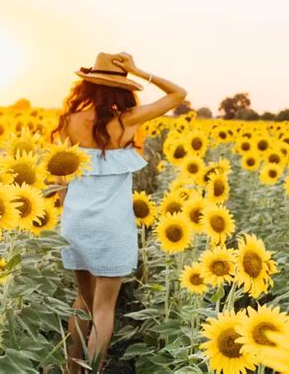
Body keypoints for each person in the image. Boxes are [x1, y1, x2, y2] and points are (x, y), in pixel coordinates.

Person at [50, 51, 187, 373]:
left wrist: (65, 201)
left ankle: (73, 370)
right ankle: (93, 371)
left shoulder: (70, 120)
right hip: (113, 225)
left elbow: (59, 177)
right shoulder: (128, 120)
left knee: (82, 303)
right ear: (122, 87)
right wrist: (139, 71)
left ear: (88, 86)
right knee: (103, 308)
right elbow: (179, 95)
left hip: (77, 221)